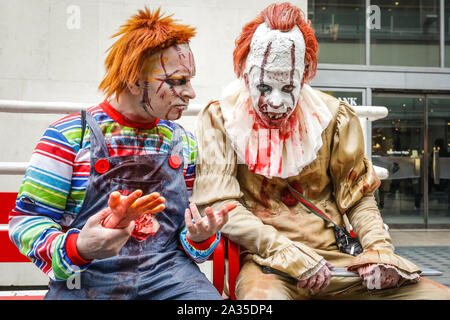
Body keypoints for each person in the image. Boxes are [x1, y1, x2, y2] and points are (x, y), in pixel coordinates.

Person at [191, 2, 450, 299]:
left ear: (304, 77)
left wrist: (379, 251)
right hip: (268, 264)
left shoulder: (332, 117)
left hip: (337, 261)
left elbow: (357, 196)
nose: (276, 102)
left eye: (288, 88)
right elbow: (223, 205)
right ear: (245, 75)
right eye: (264, 87)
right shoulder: (221, 119)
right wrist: (285, 251)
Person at [8, 7, 232, 300]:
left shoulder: (184, 144)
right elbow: (26, 221)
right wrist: (78, 247)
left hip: (171, 280)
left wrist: (199, 238)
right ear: (134, 79)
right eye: (178, 81)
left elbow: (186, 236)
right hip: (86, 282)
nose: (190, 93)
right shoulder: (69, 136)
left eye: (189, 80)